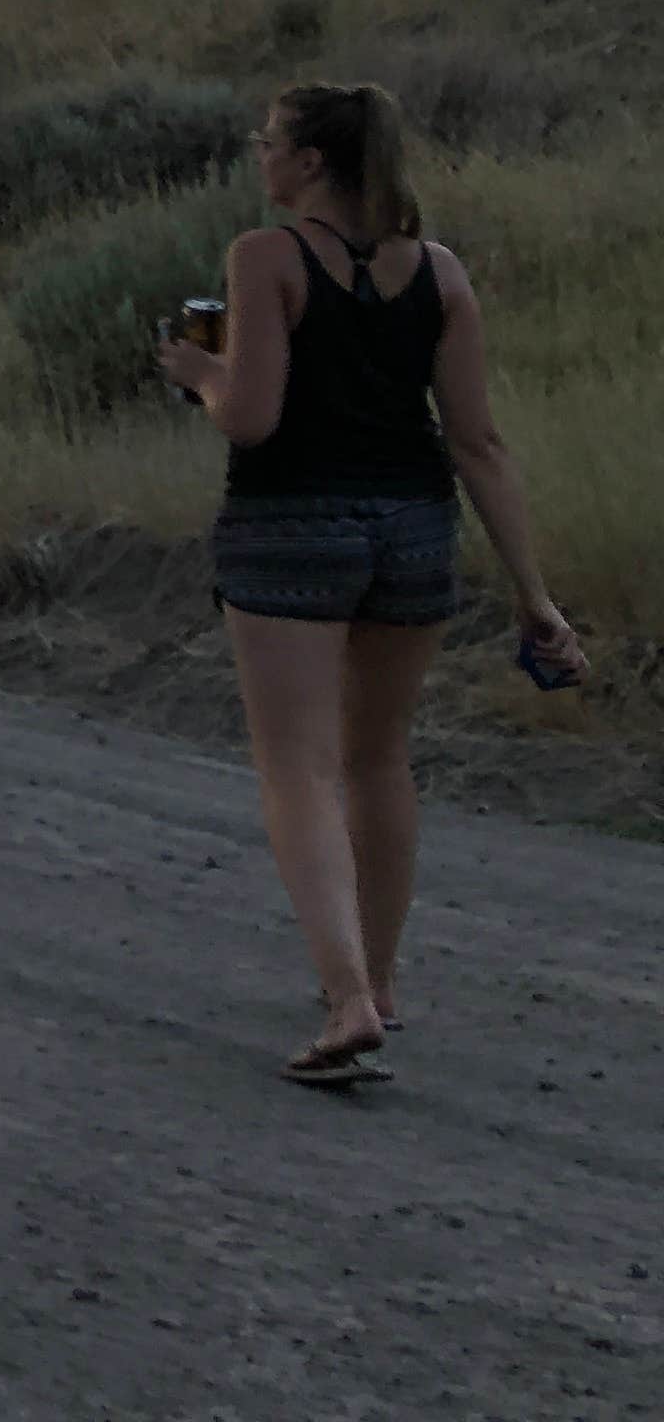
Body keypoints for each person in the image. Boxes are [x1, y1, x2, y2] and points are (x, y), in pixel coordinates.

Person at [157, 81, 583, 1087]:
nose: (259, 156)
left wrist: (195, 370)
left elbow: (252, 416)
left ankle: (346, 1002)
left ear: (308, 161)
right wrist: (534, 595)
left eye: (269, 142)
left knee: (296, 767)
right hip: (413, 531)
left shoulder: (265, 259)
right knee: (378, 760)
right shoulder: (440, 273)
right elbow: (478, 442)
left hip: (291, 529)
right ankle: (381, 981)